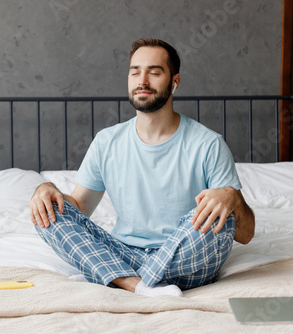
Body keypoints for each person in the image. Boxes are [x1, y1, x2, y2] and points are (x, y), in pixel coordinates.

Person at [30, 37, 255, 297]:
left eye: (154, 72)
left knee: (222, 219)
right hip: (123, 252)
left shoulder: (208, 144)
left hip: (186, 254)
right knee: (46, 211)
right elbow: (79, 208)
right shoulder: (107, 141)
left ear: (175, 82)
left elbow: (246, 234)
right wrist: (45, 188)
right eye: (135, 72)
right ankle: (137, 284)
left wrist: (233, 199)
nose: (142, 81)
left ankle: (108, 273)